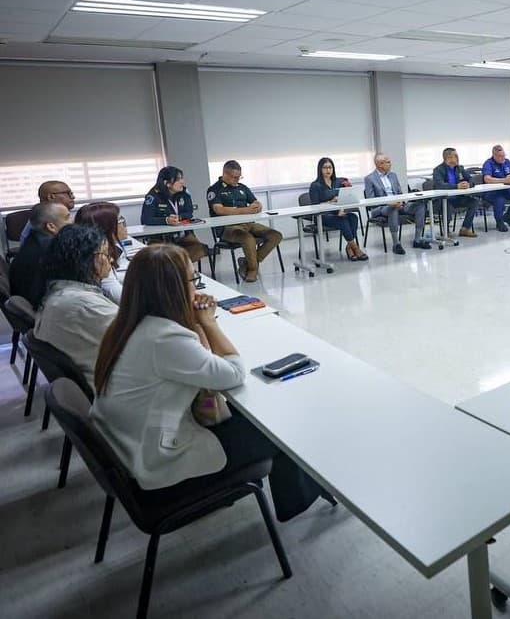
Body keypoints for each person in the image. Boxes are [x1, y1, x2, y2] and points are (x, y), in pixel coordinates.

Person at [90, 244, 331, 521]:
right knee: (281, 423)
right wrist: (208, 323)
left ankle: (299, 490)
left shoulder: (129, 324)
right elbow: (233, 373)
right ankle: (296, 500)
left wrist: (195, 325)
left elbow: (202, 366)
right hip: (160, 463)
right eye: (193, 279)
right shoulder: (164, 338)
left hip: (134, 446)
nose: (197, 286)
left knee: (254, 411)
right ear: (173, 289)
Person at [33, 225, 119, 388]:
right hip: (110, 386)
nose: (112, 259)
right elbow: (135, 337)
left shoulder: (58, 291)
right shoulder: (83, 305)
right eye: (106, 254)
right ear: (86, 259)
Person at [206, 160, 283, 283]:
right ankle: (253, 269)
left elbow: (255, 202)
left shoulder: (242, 188)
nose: (237, 180)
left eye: (239, 177)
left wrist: (257, 206)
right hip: (228, 228)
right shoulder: (214, 189)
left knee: (275, 235)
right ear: (225, 174)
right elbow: (219, 209)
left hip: (249, 223)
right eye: (234, 177)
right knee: (248, 239)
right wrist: (246, 210)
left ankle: (246, 263)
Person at [364, 152, 428, 254]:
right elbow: (370, 200)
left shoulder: (393, 175)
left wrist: (401, 201)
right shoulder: (369, 179)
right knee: (392, 208)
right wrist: (389, 203)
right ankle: (396, 244)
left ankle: (417, 240)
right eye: (388, 162)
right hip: (381, 208)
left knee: (420, 206)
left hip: (399, 204)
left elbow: (399, 193)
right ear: (380, 164)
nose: (390, 164)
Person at [140, 166, 207, 263]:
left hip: (182, 236)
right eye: (178, 179)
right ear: (167, 183)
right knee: (165, 258)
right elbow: (146, 219)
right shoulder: (153, 195)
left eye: (182, 178)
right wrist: (166, 220)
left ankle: (184, 272)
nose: (182, 182)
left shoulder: (183, 192)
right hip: (160, 239)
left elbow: (189, 212)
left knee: (197, 249)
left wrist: (179, 217)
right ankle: (175, 273)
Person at [10, 202, 70, 308]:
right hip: (45, 307)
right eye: (67, 218)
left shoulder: (34, 239)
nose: (73, 221)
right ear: (51, 226)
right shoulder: (53, 251)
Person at [309, 157, 368, 261]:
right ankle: (355, 248)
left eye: (330, 167)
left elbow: (345, 198)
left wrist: (342, 208)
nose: (328, 170)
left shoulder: (338, 182)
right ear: (320, 169)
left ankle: (349, 247)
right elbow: (315, 206)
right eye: (325, 168)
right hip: (322, 215)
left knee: (353, 217)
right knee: (342, 220)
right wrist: (330, 201)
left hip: (337, 212)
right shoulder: (315, 185)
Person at [75, 202, 130, 303]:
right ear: (107, 227)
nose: (124, 225)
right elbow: (117, 294)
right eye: (120, 220)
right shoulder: (97, 256)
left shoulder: (93, 247)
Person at [432, 148, 481, 238]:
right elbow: (440, 185)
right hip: (444, 199)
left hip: (458, 198)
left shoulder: (460, 168)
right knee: (447, 206)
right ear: (447, 158)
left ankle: (465, 228)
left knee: (474, 202)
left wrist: (468, 184)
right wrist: (456, 186)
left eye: (457, 156)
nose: (457, 158)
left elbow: (471, 180)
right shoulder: (438, 170)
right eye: (454, 156)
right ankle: (446, 231)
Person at [481, 145, 510, 231]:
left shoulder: (507, 162)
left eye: (504, 155)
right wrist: (504, 180)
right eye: (500, 156)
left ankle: (508, 216)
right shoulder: (488, 163)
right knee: (499, 199)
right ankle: (499, 222)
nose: (503, 158)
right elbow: (487, 179)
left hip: (506, 190)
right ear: (494, 155)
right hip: (492, 192)